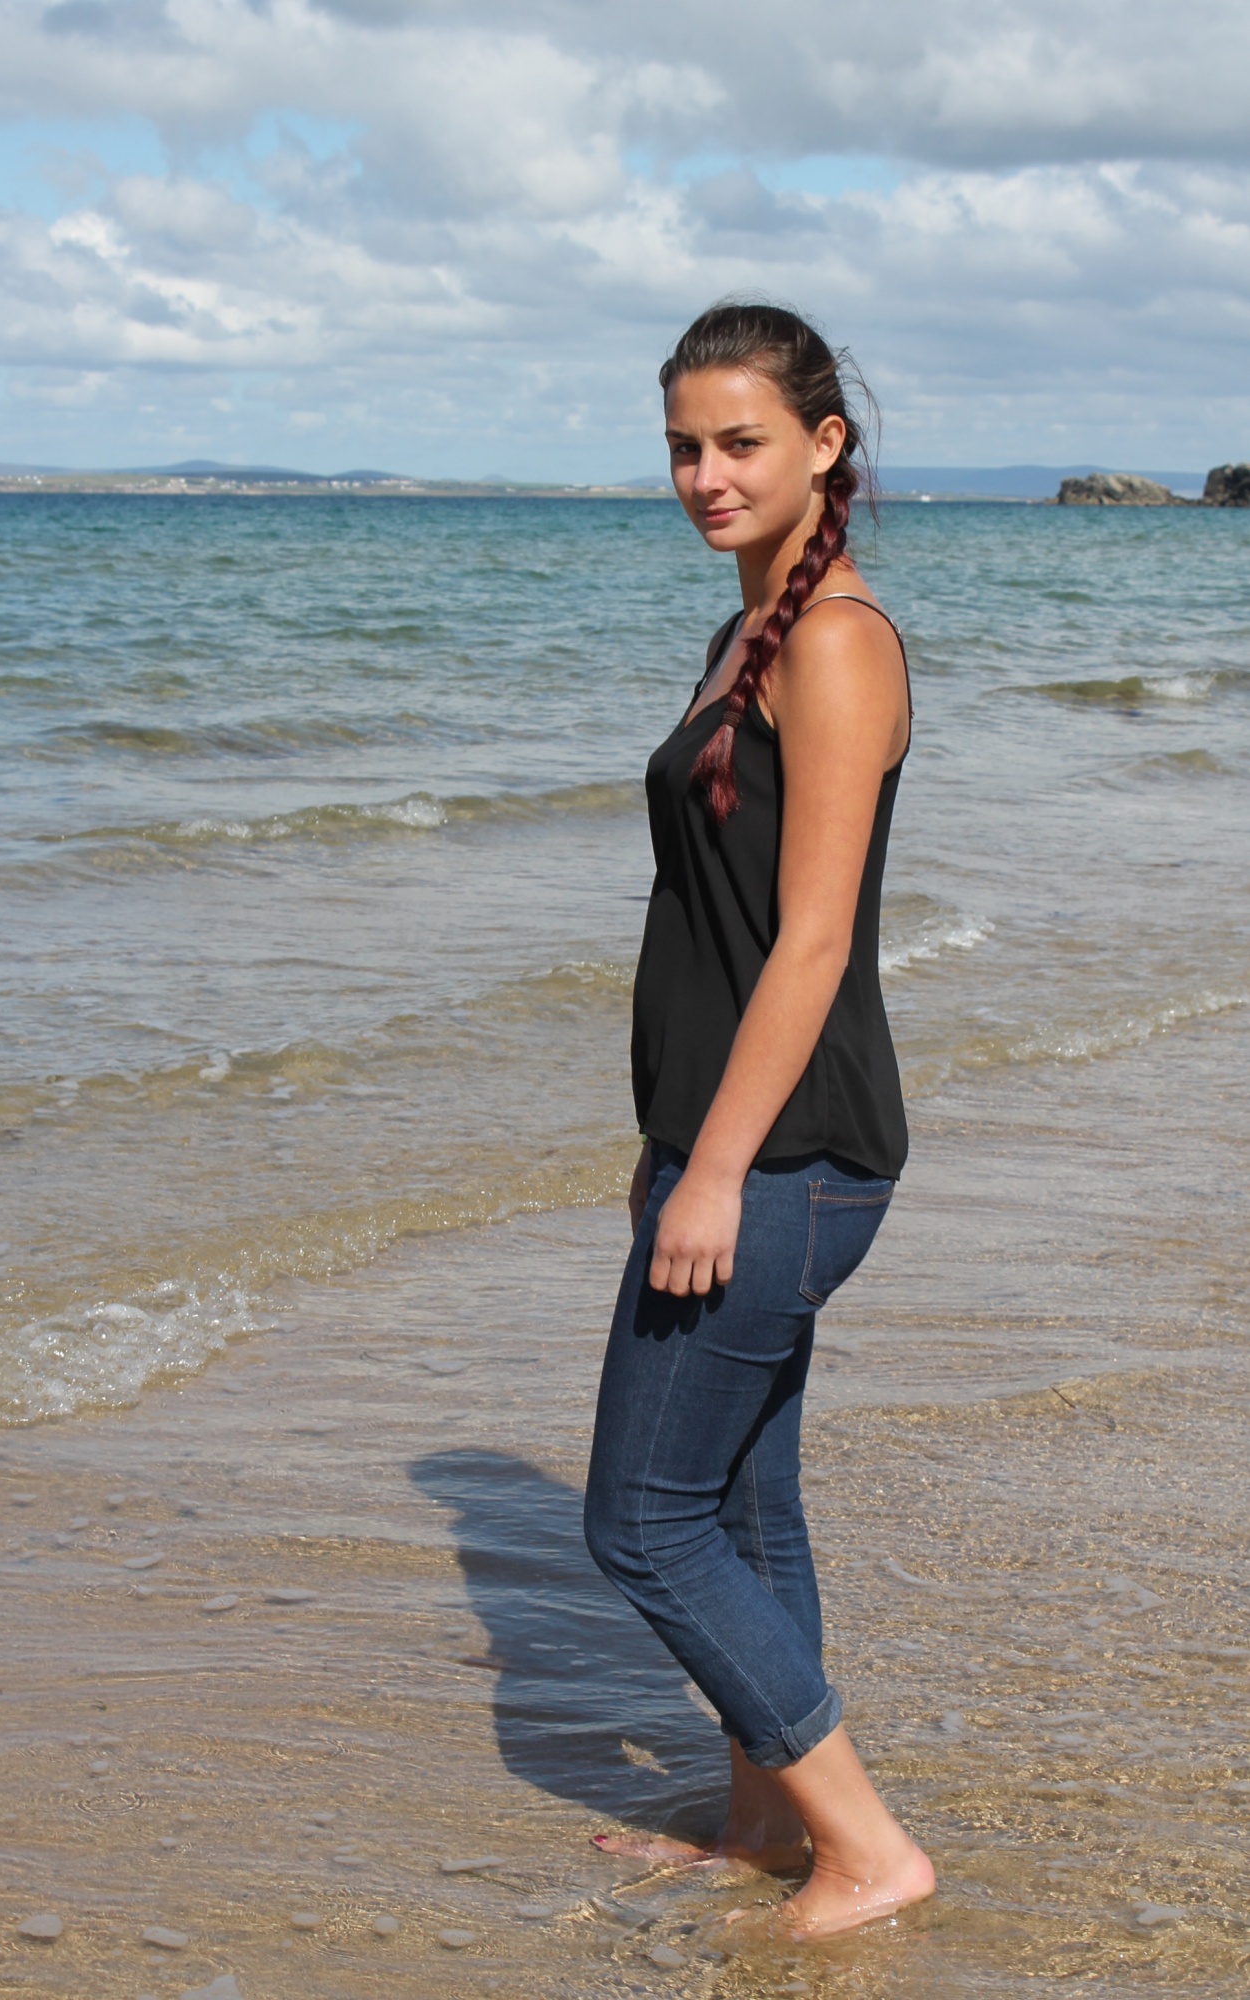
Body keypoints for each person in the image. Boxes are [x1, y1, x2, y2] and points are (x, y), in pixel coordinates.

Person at [583, 301, 935, 1941]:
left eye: (740, 443)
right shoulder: (748, 633)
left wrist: (715, 1167)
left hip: (791, 1154)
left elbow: (810, 941)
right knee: (735, 1505)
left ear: (823, 444)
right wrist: (671, 1143)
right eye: (684, 448)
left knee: (639, 1521)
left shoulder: (836, 641)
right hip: (733, 1141)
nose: (706, 476)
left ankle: (868, 1849)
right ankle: (761, 1822)